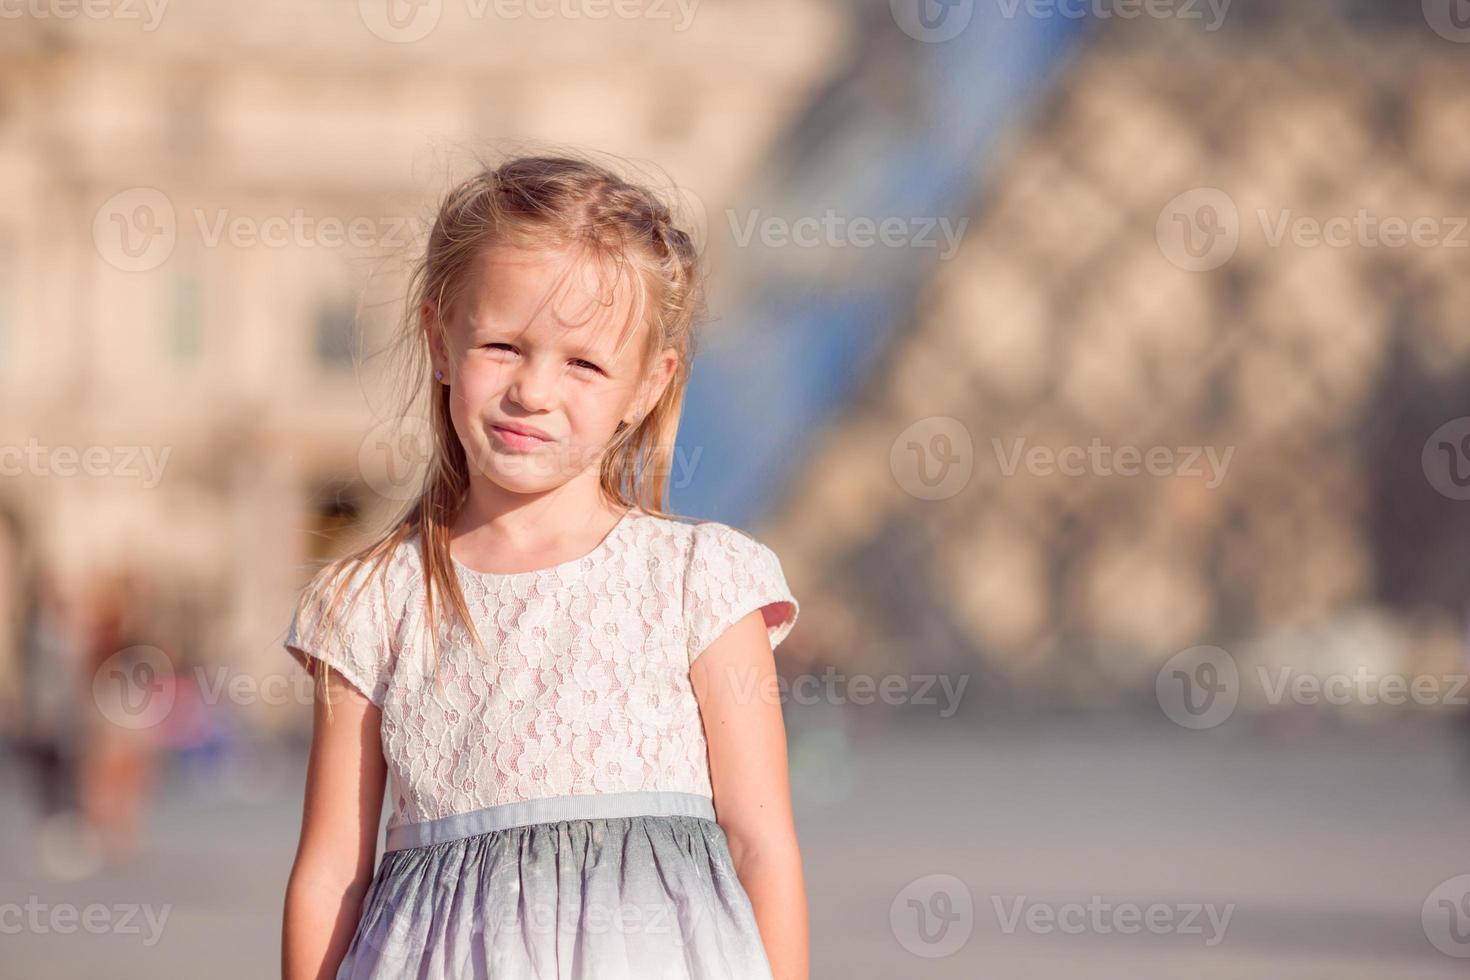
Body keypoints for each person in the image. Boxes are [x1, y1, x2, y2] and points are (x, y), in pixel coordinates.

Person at [280, 154, 807, 980]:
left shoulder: (702, 581)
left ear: (646, 385)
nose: (533, 390)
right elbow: (330, 872)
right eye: (503, 346)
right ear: (439, 342)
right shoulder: (370, 601)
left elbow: (761, 842)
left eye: (584, 364)